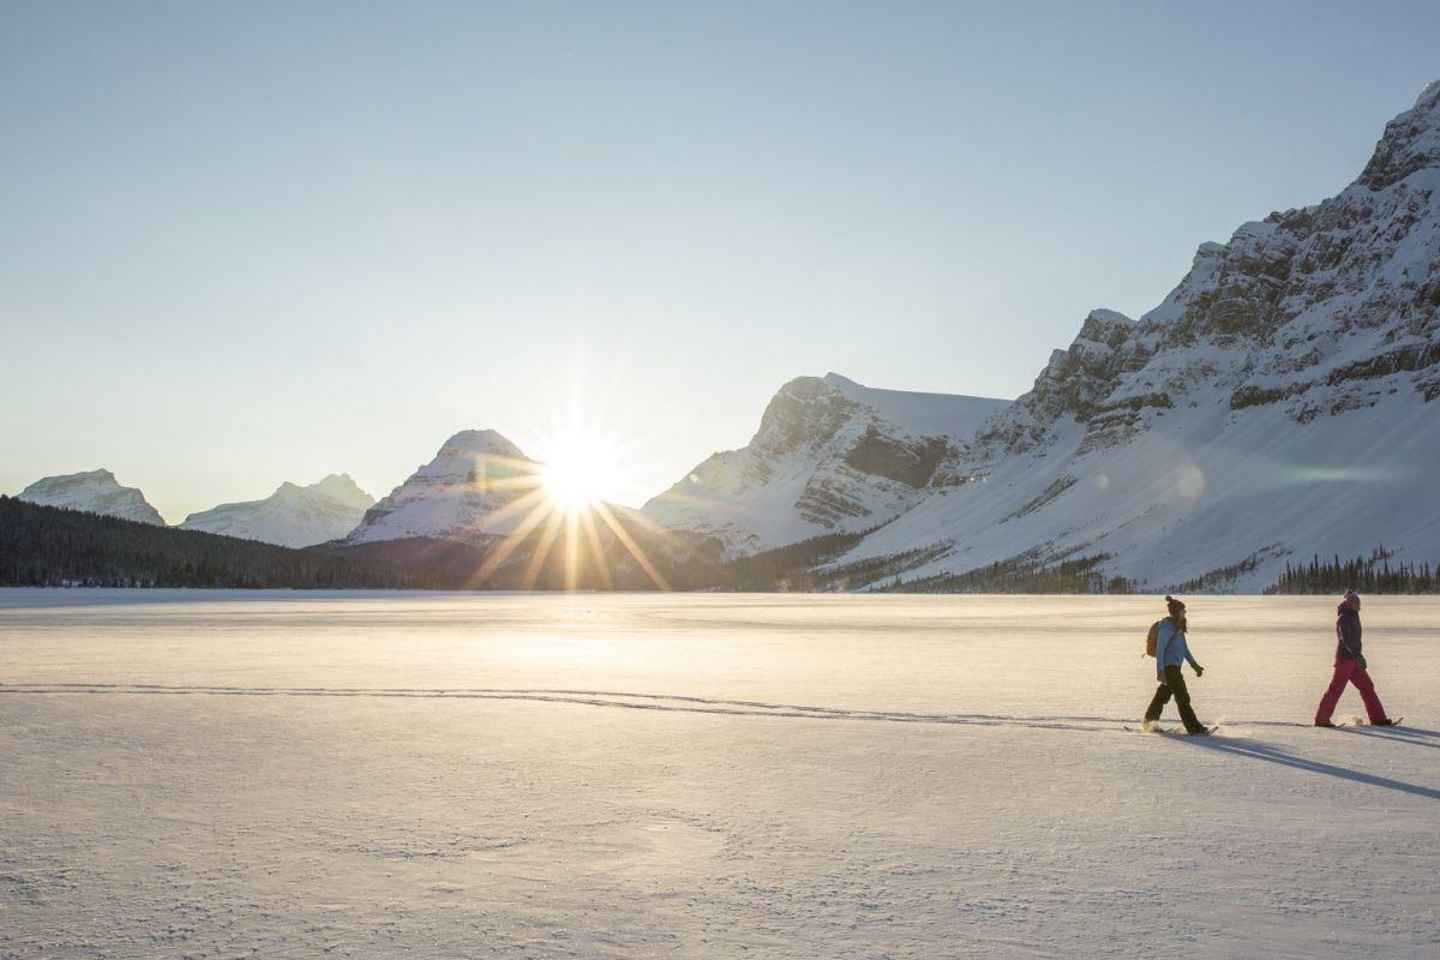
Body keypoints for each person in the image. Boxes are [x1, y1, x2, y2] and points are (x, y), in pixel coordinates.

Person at [1314, 590, 1396, 727]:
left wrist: (1358, 655)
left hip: (1354, 660)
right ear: (1349, 603)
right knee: (1336, 689)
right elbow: (1345, 639)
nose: (1359, 605)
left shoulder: (1353, 615)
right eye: (1356, 603)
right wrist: (1357, 655)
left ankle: (1378, 719)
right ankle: (1321, 720)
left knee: (1367, 686)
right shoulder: (1344, 618)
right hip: (1345, 660)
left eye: (1359, 602)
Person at [1143, 595, 1209, 735]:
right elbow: (1160, 651)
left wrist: (1195, 665)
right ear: (1176, 611)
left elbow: (1184, 649)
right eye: (1183, 611)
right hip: (1169, 669)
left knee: (1162, 696)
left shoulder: (1178, 627)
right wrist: (1160, 671)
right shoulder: (1167, 628)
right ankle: (1194, 728)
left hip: (1174, 668)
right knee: (1183, 698)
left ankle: (1149, 722)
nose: (1185, 613)